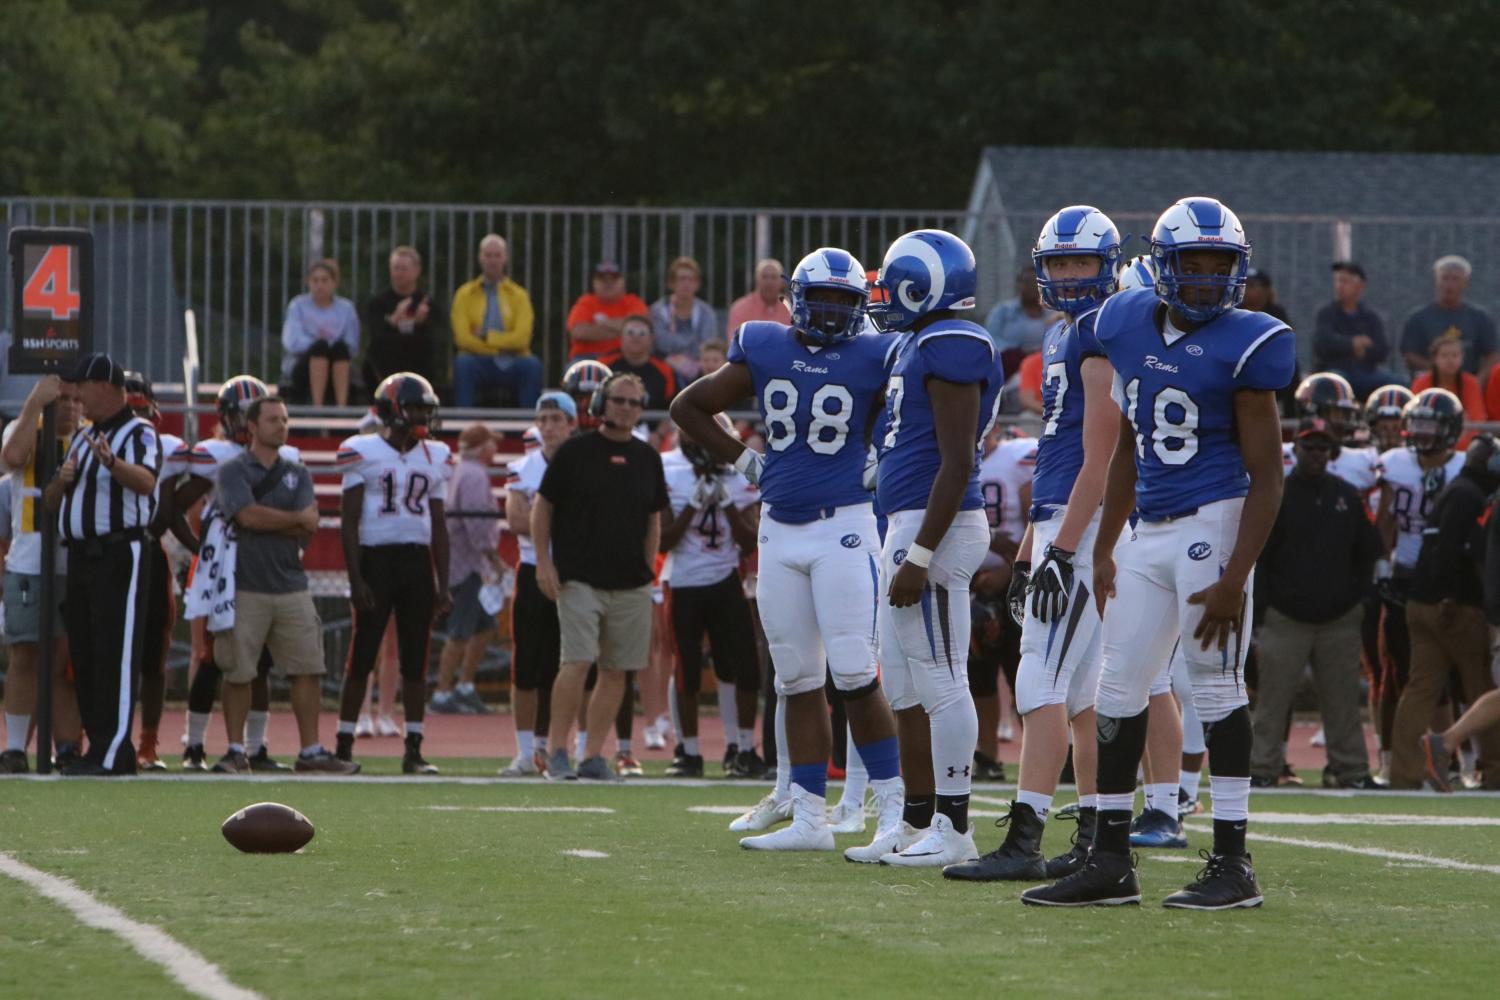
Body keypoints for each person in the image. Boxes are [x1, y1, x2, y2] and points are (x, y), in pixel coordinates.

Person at [1022, 197, 1295, 909]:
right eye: (1192, 264)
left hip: (1218, 517)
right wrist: (1108, 547)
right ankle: (1110, 859)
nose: (1205, 280)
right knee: (1117, 688)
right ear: (1164, 265)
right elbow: (1124, 452)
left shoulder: (1249, 341)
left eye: (1219, 266)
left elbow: (1269, 475)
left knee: (1215, 684)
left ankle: (1233, 864)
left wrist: (1237, 575)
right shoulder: (1123, 323)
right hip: (1150, 527)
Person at [670, 247, 905, 855]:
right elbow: (688, 406)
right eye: (820, 298)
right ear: (796, 299)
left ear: (858, 307)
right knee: (797, 678)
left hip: (844, 526)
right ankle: (808, 818)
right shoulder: (765, 344)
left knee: (854, 672)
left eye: (842, 301)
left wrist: (884, 459)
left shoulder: (879, 353)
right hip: (779, 526)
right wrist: (747, 461)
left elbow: (920, 417)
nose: (829, 311)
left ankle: (896, 815)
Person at [945, 205, 1122, 882]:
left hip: (1084, 523)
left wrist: (1065, 547)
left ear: (1105, 267)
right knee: (1079, 694)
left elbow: (1100, 458)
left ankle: (1026, 840)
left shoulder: (1101, 333)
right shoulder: (1057, 334)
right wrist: (1028, 553)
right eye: (1062, 263)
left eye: (1084, 262)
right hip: (1057, 522)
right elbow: (1055, 453)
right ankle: (1093, 836)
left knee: (1039, 678)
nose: (1073, 276)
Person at [862, 230, 1001, 868]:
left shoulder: (951, 342)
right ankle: (917, 819)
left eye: (894, 281)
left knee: (944, 683)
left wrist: (920, 554)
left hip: (935, 530)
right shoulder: (916, 341)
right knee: (906, 689)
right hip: (911, 524)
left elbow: (956, 460)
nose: (884, 293)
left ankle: (956, 825)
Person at [212, 396, 359, 774]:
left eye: (285, 418)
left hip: (291, 583)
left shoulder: (299, 471)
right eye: (273, 419)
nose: (282, 425)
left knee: (307, 667)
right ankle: (234, 749)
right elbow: (246, 516)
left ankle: (310, 750)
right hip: (245, 583)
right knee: (239, 669)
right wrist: (290, 520)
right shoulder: (233, 470)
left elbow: (308, 524)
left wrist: (274, 520)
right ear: (253, 426)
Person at [533, 371, 667, 781]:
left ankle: (592, 754)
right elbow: (543, 508)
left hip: (630, 581)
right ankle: (557, 750)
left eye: (633, 403)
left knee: (616, 670)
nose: (625, 408)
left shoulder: (648, 457)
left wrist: (648, 571)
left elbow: (653, 519)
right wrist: (544, 561)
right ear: (602, 404)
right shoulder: (574, 452)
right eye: (618, 400)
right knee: (576, 661)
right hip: (580, 578)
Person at [43, 353, 162, 776]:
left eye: (82, 386)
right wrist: (61, 481)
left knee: (116, 650)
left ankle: (115, 752)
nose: (75, 395)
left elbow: (147, 483)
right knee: (87, 653)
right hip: (80, 555)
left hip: (118, 553)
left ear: (107, 388)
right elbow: (50, 500)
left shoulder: (138, 432)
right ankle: (97, 747)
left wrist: (112, 463)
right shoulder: (81, 437)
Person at [174, 375, 300, 772]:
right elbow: (178, 506)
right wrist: (200, 553)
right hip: (222, 569)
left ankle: (256, 747)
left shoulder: (283, 457)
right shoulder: (213, 454)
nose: (246, 423)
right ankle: (194, 745)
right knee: (214, 658)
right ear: (227, 418)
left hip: (262, 568)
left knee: (260, 661)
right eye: (240, 415)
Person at [1251, 418, 1383, 788]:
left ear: (1331, 452)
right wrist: (1262, 610)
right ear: (1297, 450)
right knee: (1273, 699)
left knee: (1343, 702)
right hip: (1286, 615)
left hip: (1338, 618)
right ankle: (1262, 768)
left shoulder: (1346, 494)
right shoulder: (1278, 493)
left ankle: (1351, 769)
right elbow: (1261, 555)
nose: (1316, 454)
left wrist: (1359, 597)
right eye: (1309, 447)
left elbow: (1368, 550)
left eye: (1323, 448)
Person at [335, 373, 454, 774]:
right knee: (362, 656)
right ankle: (343, 745)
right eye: (415, 407)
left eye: (425, 408)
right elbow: (348, 521)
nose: (422, 415)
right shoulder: (362, 451)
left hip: (417, 563)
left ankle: (414, 748)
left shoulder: (435, 455)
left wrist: (443, 582)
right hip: (376, 561)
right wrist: (355, 578)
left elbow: (439, 525)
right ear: (391, 409)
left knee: (416, 660)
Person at [1389, 433, 1500, 789]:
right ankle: (1493, 769)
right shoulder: (1471, 496)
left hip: (1421, 602)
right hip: (1453, 607)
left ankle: (1405, 773)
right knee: (1482, 687)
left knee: (1420, 689)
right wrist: (1452, 596)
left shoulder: (1455, 488)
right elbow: (1456, 550)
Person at [1372, 388, 1467, 783]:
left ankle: (1456, 759)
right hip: (1407, 577)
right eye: (1418, 425)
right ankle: (1398, 760)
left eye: (1431, 425)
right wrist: (1382, 567)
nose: (1422, 433)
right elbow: (1385, 519)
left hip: (1455, 581)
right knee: (1405, 677)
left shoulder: (1464, 467)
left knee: (1457, 679)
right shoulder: (1395, 463)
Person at [659, 415, 760, 777]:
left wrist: (727, 505)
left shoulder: (737, 471)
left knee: (743, 666)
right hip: (683, 580)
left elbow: (751, 542)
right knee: (685, 669)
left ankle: (743, 748)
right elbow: (663, 541)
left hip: (726, 579)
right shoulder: (668, 468)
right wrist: (693, 507)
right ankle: (688, 752)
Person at [0, 375, 84, 773]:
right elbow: (13, 458)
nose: (69, 406)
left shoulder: (89, 439)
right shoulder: (28, 430)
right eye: (62, 399)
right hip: (30, 561)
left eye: (74, 399)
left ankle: (67, 747)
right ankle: (15, 748)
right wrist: (35, 401)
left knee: (66, 661)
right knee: (26, 655)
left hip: (76, 562)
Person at [498, 391, 577, 776]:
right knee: (526, 665)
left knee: (567, 665)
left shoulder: (582, 463)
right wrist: (554, 519)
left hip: (573, 571)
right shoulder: (522, 466)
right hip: (531, 568)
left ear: (571, 423)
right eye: (543, 418)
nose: (548, 426)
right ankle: (526, 750)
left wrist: (540, 516)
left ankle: (557, 746)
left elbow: (583, 521)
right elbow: (515, 521)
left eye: (556, 418)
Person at [123, 372, 185, 771]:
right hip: (106, 550)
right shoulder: (91, 437)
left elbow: (171, 508)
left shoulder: (168, 447)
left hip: (147, 550)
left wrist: (197, 547)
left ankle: (147, 742)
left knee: (152, 656)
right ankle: (87, 737)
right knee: (103, 652)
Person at [973, 426, 1035, 776]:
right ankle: (987, 755)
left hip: (1021, 581)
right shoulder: (950, 455)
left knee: (1022, 671)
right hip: (973, 583)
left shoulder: (1018, 457)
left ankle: (1040, 754)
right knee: (977, 673)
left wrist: (1009, 572)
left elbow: (1038, 518)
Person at [429, 423, 502, 716]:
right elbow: (476, 523)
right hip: (466, 563)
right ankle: (443, 692)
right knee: (460, 631)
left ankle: (464, 685)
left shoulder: (464, 471)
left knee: (484, 627)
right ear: (482, 447)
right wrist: (492, 557)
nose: (495, 449)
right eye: (491, 443)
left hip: (464, 560)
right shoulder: (473, 475)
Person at [450, 235, 541, 408]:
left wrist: (486, 337)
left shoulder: (519, 295)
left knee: (532, 365)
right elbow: (462, 339)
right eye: (488, 255)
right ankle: (463, 421)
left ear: (505, 258)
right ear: (480, 257)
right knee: (463, 364)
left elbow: (522, 339)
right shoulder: (464, 294)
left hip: (514, 361)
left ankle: (530, 424)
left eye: (497, 255)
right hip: (478, 361)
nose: (492, 260)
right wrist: (501, 346)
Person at [364, 245, 448, 397]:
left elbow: (438, 337)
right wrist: (392, 320)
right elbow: (375, 335)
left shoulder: (428, 304)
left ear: (417, 270)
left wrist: (421, 322)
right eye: (395, 268)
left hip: (420, 364)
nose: (398, 273)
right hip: (387, 365)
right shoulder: (378, 303)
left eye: (403, 269)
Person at [1400, 255, 1499, 376]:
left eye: (1455, 279)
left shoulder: (1480, 318)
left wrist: (1478, 381)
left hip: (1470, 379)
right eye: (1445, 278)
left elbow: (1492, 354)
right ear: (1436, 281)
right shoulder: (1417, 318)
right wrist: (1442, 371)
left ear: (1465, 283)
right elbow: (1409, 355)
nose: (1449, 284)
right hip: (1431, 379)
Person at [1285, 373, 1382, 492]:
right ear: (1312, 413)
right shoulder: (1281, 457)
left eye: (1345, 415)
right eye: (1336, 414)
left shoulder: (1366, 459)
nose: (1342, 422)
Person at [281, 259, 359, 407]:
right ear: (308, 282)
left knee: (340, 349)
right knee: (319, 348)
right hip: (303, 363)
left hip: (337, 361)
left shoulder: (346, 308)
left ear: (334, 283)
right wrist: (320, 344)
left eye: (324, 280)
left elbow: (352, 345)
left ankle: (341, 408)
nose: (319, 285)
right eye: (315, 280)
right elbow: (292, 341)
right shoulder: (297, 306)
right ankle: (318, 407)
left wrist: (330, 346)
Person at [1313, 261, 1396, 398]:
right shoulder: (1326, 313)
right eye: (1338, 281)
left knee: (1397, 383)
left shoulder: (1371, 317)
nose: (1339, 286)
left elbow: (1382, 350)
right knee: (1334, 382)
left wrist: (1361, 351)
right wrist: (1354, 343)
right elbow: (1323, 344)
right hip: (1336, 370)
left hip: (1366, 372)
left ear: (1360, 286)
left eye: (1345, 282)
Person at [650, 256, 719, 379]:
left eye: (691, 279)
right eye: (682, 279)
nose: (686, 283)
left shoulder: (706, 313)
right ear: (671, 283)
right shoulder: (658, 311)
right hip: (664, 367)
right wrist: (691, 345)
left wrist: (681, 355)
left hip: (700, 371)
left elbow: (707, 346)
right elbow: (660, 343)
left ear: (697, 284)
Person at [566, 261, 650, 361]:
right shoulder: (585, 302)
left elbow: (640, 327)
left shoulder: (634, 302)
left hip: (625, 357)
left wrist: (603, 322)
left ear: (623, 281)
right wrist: (624, 331)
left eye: (614, 278)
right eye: (602, 279)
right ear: (594, 282)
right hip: (588, 357)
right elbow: (579, 332)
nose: (608, 283)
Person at [983, 265, 1055, 376]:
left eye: (1036, 282)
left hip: (1044, 371)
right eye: (1027, 282)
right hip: (1009, 372)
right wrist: (1020, 353)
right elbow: (991, 342)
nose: (1031, 286)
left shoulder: (1054, 314)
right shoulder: (1002, 312)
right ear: (1019, 285)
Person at [600, 315, 677, 408]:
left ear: (651, 339)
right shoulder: (603, 366)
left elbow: (672, 407)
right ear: (621, 337)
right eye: (630, 332)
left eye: (642, 333)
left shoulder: (665, 371)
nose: (636, 338)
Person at [1412, 337, 1487, 428]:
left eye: (1455, 355)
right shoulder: (1422, 383)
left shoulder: (1471, 383)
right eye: (1444, 355)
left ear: (1462, 358)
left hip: (1464, 437)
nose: (1450, 360)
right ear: (1434, 359)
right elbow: (1414, 417)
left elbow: (1477, 421)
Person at [724, 258, 790, 339]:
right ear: (756, 280)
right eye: (764, 277)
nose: (769, 282)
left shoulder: (792, 308)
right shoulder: (740, 308)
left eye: (774, 277)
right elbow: (735, 342)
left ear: (782, 282)